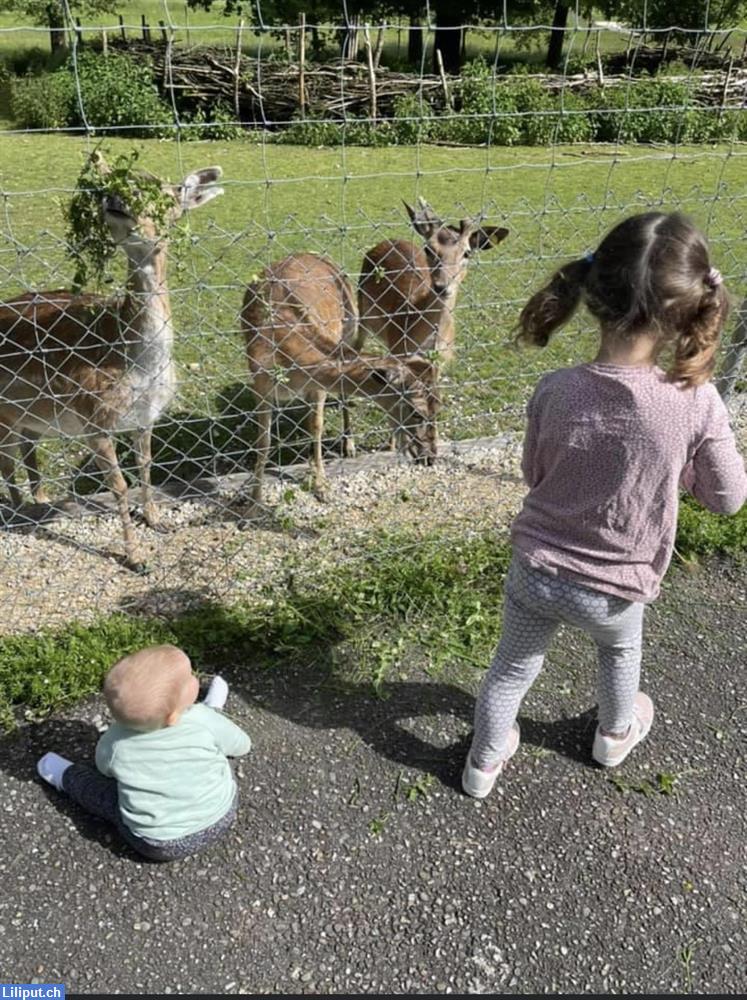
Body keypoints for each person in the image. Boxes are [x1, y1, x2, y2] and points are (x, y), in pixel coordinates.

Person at [462, 211, 747, 799]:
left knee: (512, 668)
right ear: (687, 309)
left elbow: (534, 473)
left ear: (593, 294)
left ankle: (483, 763)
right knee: (620, 655)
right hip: (615, 590)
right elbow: (727, 500)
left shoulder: (555, 389)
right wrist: (681, 468)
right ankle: (615, 735)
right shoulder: (696, 404)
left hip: (535, 571)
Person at [37, 644, 251, 859]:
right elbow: (242, 745)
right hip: (222, 814)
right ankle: (214, 710)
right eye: (189, 677)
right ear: (172, 717)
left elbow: (104, 770)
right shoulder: (199, 720)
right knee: (216, 752)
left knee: (103, 795)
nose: (194, 678)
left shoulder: (114, 743)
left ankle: (66, 776)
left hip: (158, 843)